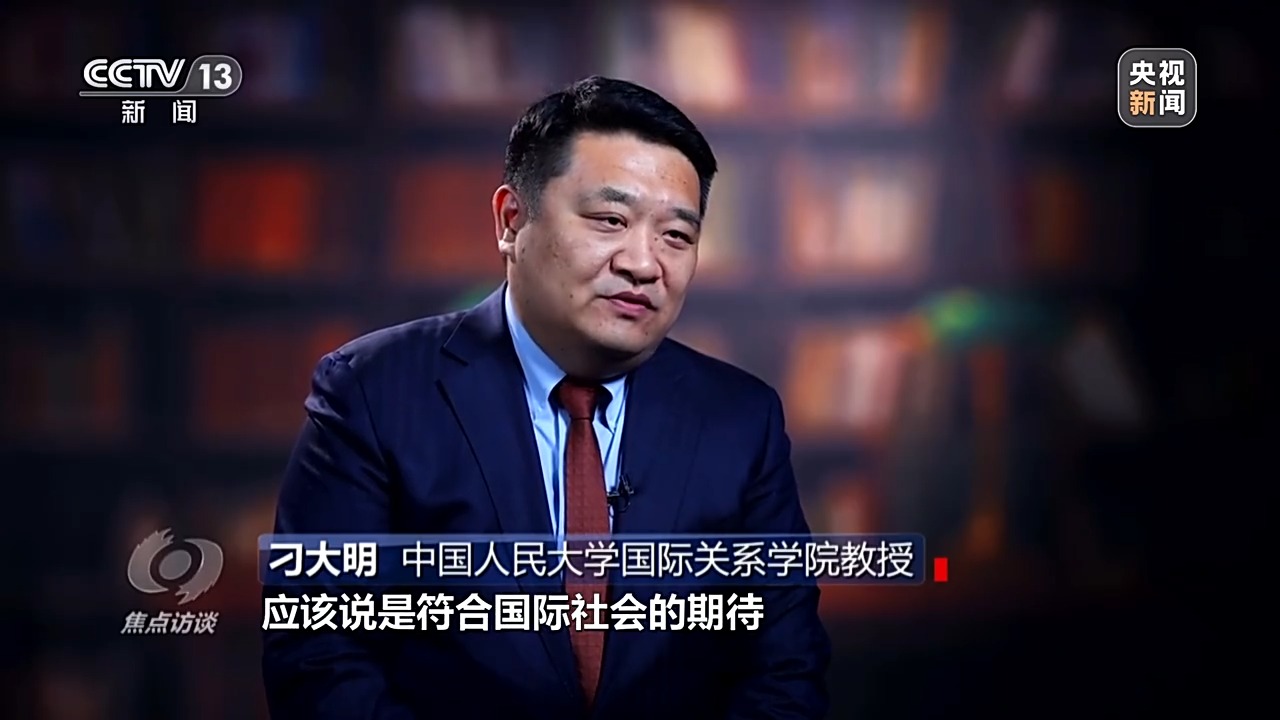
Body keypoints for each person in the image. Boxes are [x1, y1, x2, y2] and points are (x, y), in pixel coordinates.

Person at [262, 76, 830, 720]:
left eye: (676, 235)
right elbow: (319, 660)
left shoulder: (741, 419)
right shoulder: (372, 392)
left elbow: (784, 670)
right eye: (610, 220)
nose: (645, 264)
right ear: (512, 220)